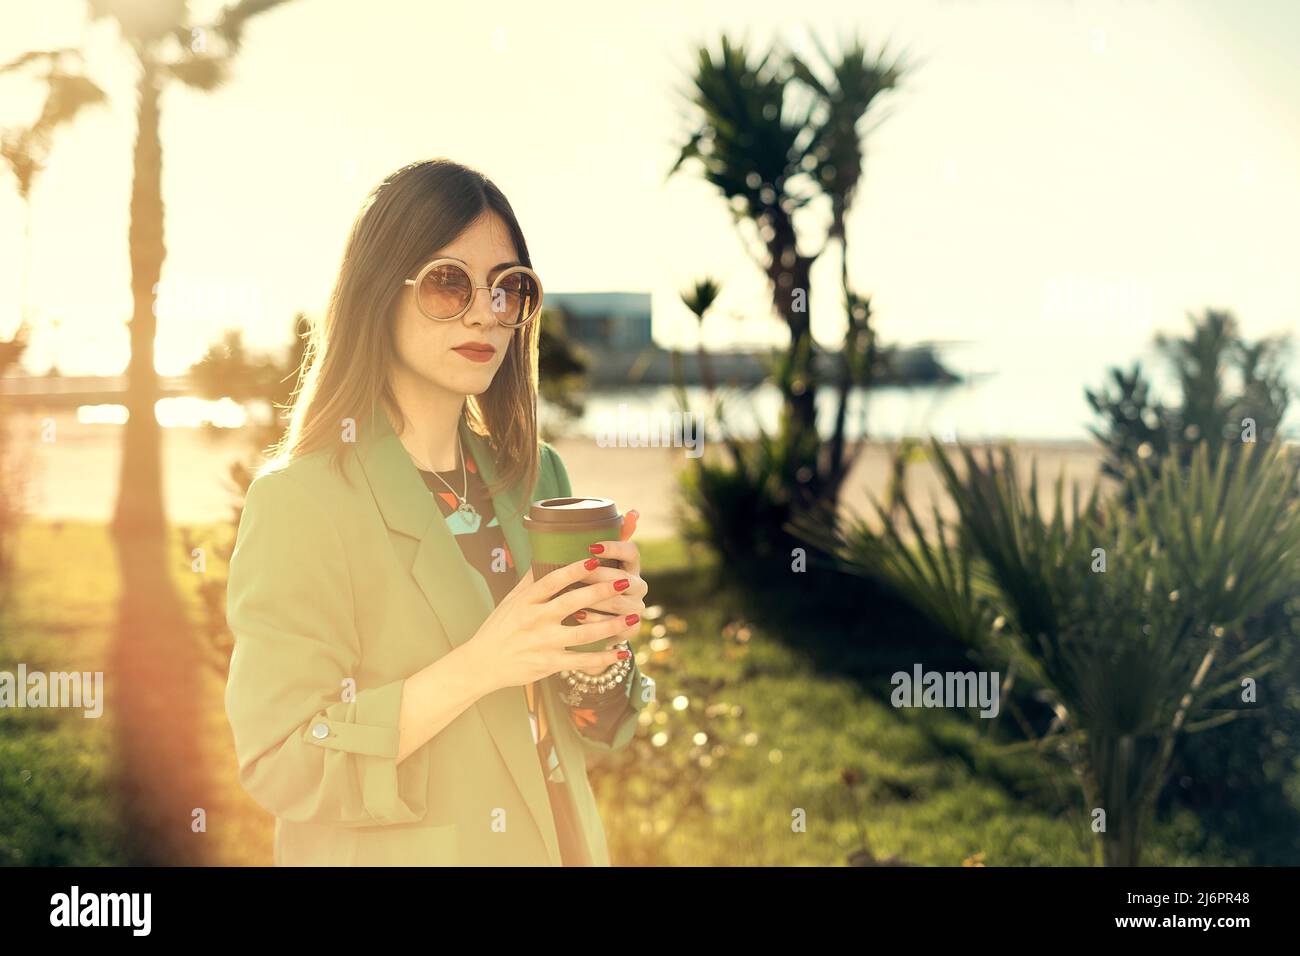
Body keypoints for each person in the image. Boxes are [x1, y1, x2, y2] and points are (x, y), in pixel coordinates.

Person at [223, 158, 654, 866]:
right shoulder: (300, 502)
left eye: (509, 288)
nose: (486, 310)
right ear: (377, 294)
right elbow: (282, 759)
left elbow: (591, 726)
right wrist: (482, 665)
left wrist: (602, 641)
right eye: (449, 282)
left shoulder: (534, 474)